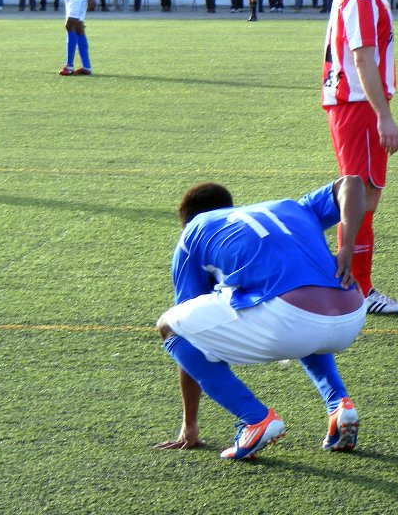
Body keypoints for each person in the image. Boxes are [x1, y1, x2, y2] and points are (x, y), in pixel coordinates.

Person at [154, 176, 368, 461]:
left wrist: (189, 423)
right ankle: (339, 405)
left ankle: (255, 419)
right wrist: (346, 247)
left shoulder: (194, 232)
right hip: (352, 311)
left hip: (292, 320)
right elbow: (352, 183)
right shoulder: (289, 206)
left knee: (170, 326)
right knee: (299, 307)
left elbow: (189, 333)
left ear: (187, 221)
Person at [322, 0, 398, 314]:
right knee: (361, 194)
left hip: (351, 104)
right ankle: (358, 289)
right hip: (357, 106)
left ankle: (351, 284)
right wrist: (383, 116)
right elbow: (362, 59)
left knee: (360, 193)